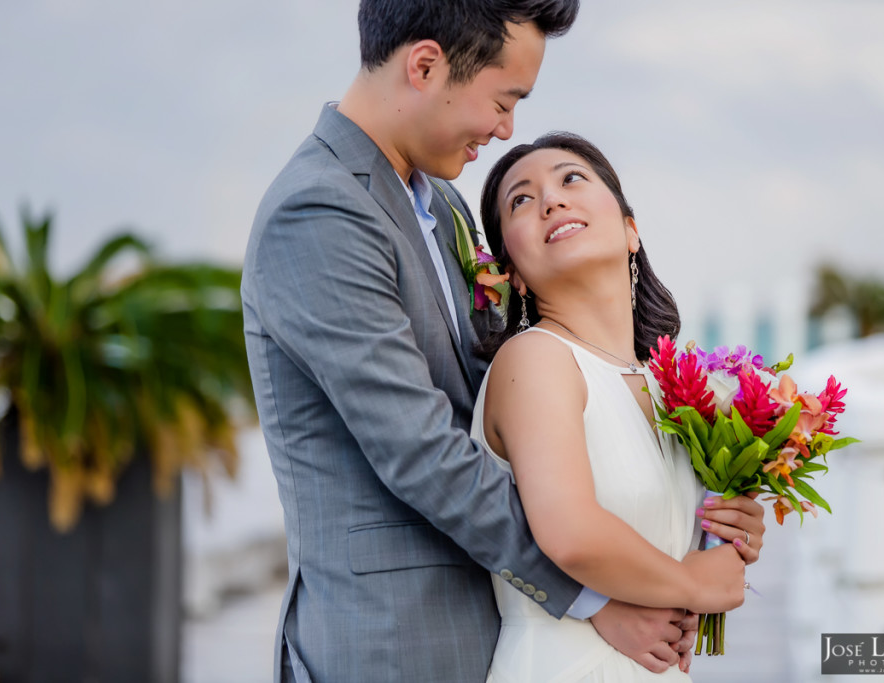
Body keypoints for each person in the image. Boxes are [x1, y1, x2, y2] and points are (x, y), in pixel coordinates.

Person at [243, 2, 717, 681]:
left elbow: (505, 418)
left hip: (495, 634)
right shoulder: (319, 211)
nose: (507, 130)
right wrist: (591, 596)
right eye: (503, 100)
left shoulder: (442, 204)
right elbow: (422, 450)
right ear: (425, 65)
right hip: (395, 642)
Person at [473, 131, 767, 680]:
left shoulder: (670, 385)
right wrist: (695, 583)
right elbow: (571, 532)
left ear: (631, 230)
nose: (551, 200)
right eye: (521, 199)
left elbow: (677, 531)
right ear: (512, 272)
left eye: (571, 179)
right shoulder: (535, 359)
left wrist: (728, 530)